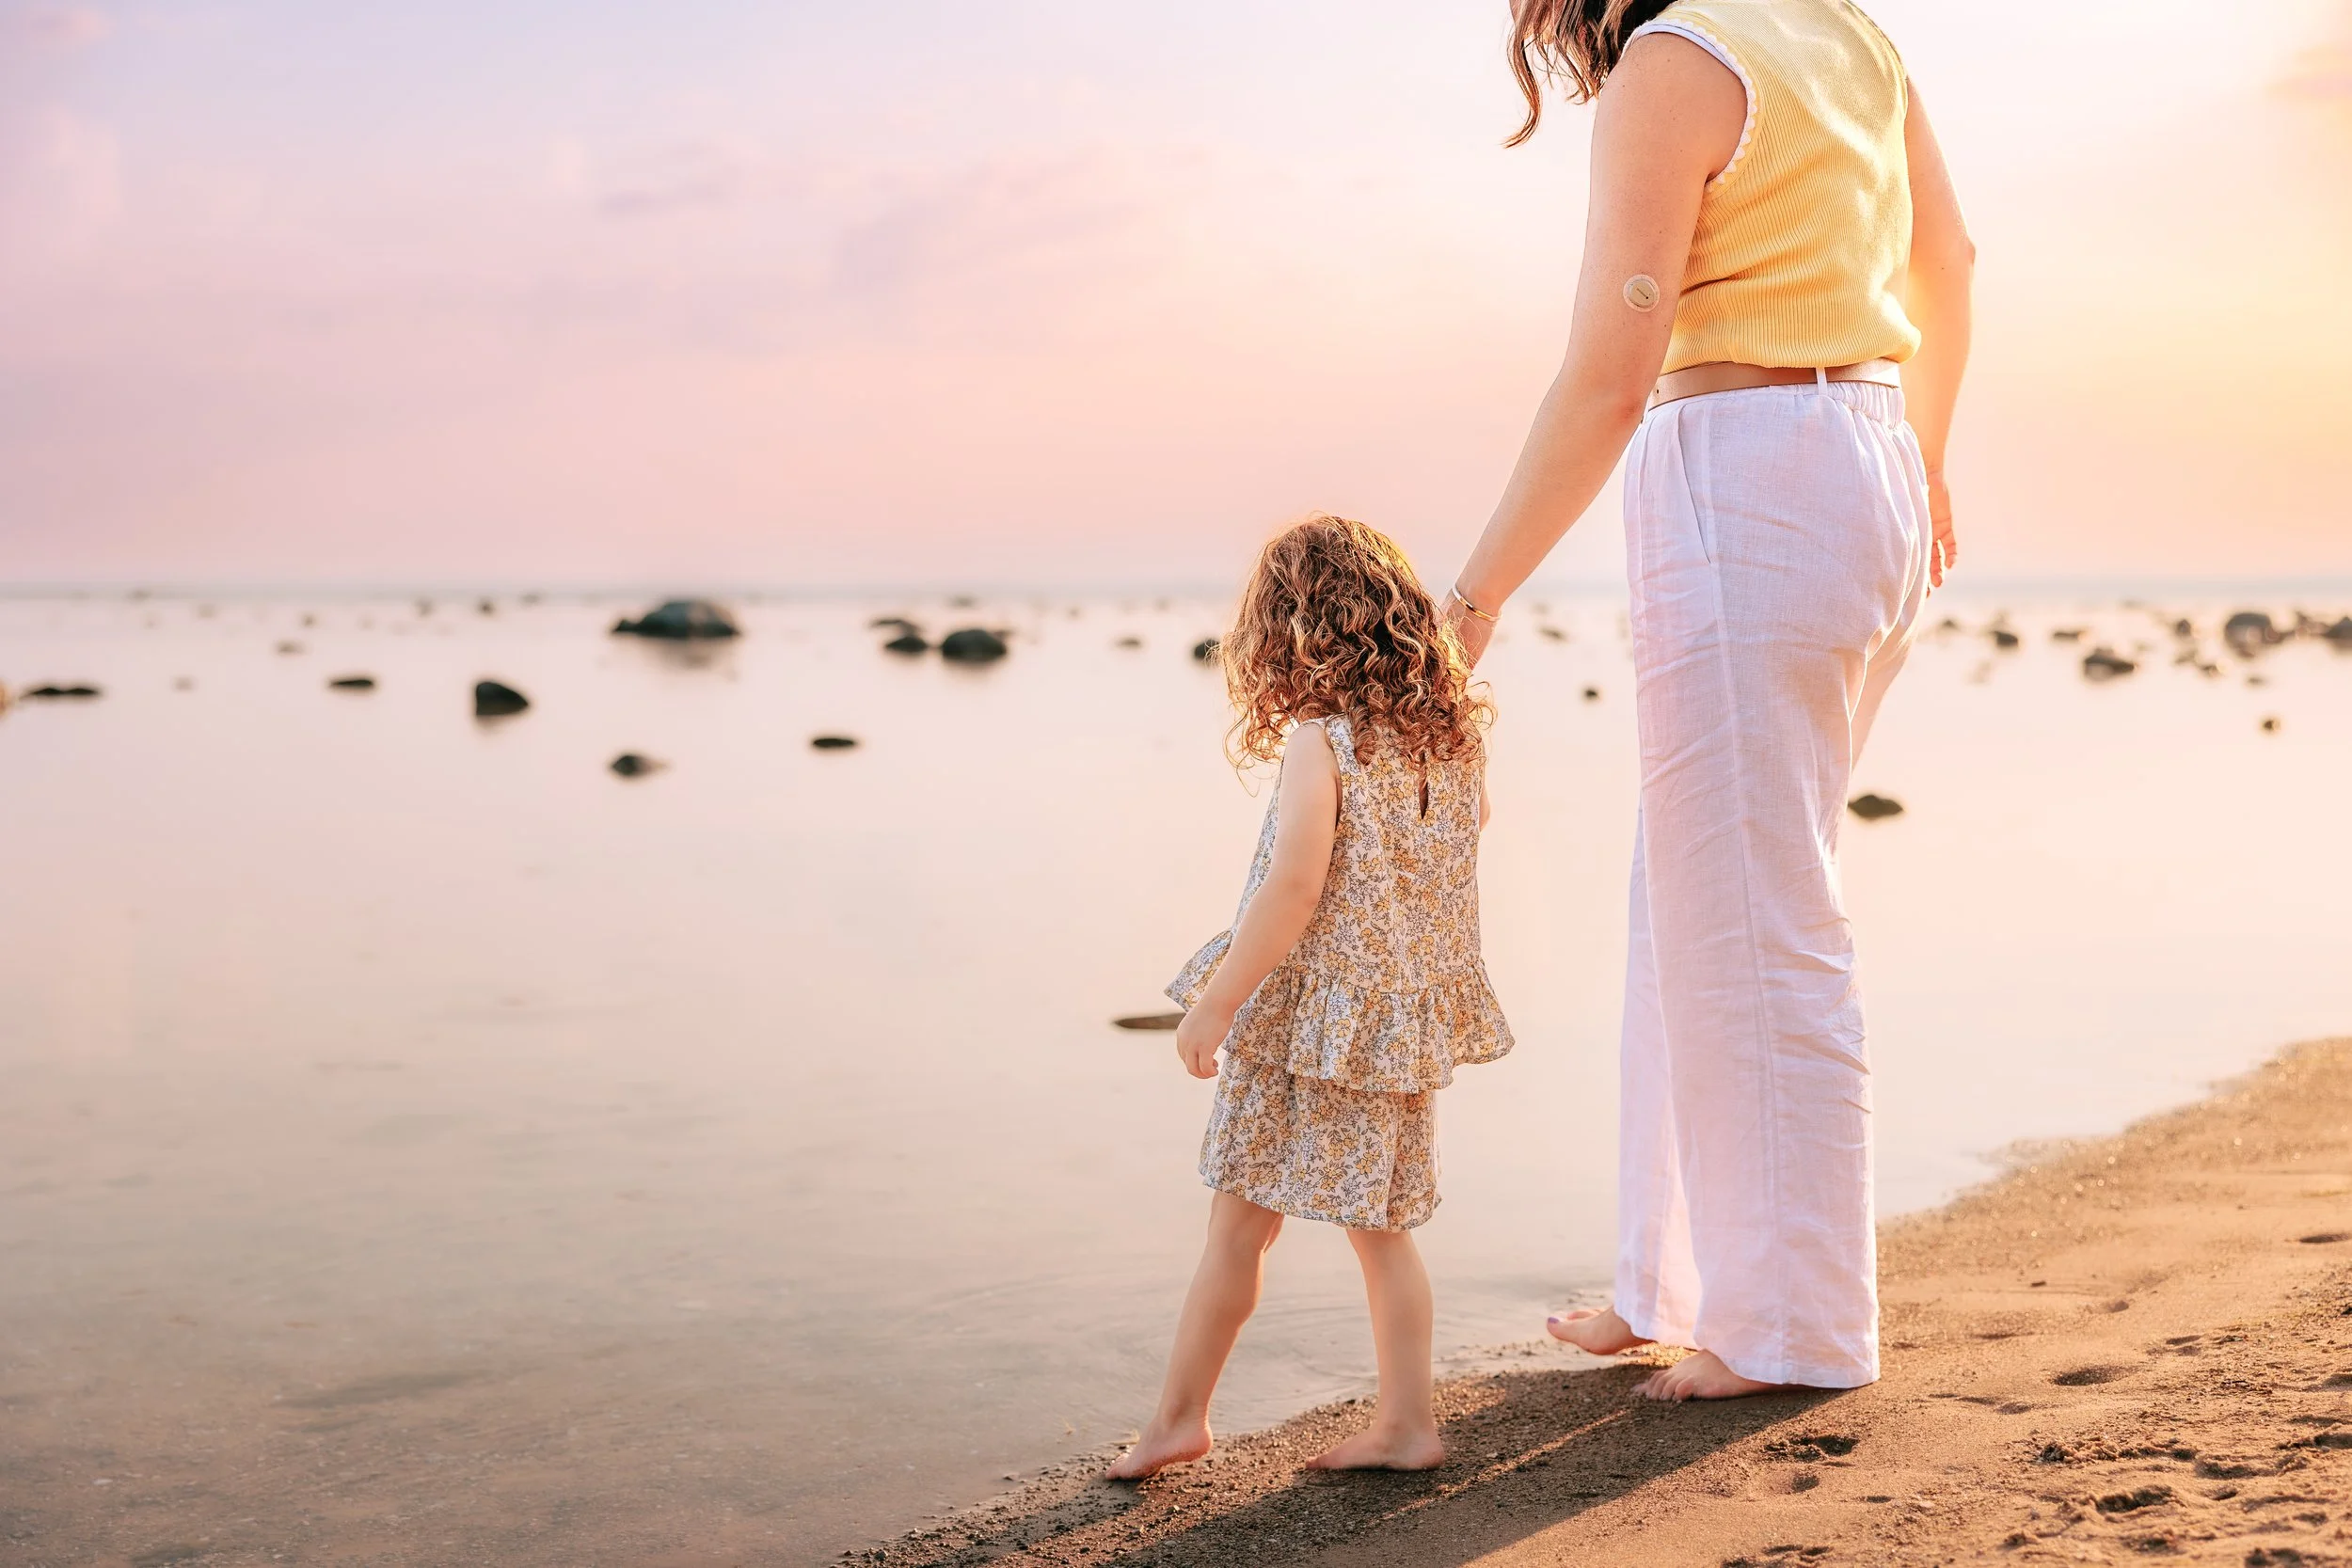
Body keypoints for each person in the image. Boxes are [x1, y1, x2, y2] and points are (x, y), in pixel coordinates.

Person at [1439, 0, 1975, 1401]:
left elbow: (1609, 377)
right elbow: (1950, 258)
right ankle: (1671, 1278)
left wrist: (1472, 600)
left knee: (1755, 909)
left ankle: (1793, 1324)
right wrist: (1924, 459)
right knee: (1694, 891)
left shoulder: (1674, 63)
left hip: (1745, 470)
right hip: (1863, 454)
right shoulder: (1850, 32)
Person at [1107, 515, 1515, 1479]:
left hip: (1307, 1015)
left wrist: (1213, 1001)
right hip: (1391, 1014)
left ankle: (1178, 1418)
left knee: (1238, 1224)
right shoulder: (1452, 744)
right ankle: (1407, 1423)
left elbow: (1294, 885)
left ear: (1290, 629)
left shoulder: (1319, 741)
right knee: (1383, 1236)